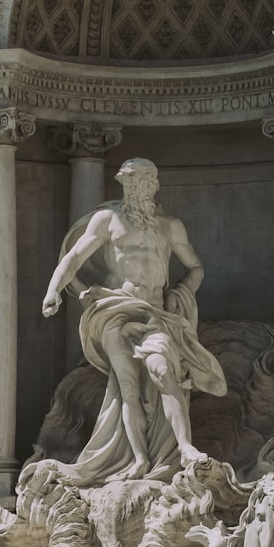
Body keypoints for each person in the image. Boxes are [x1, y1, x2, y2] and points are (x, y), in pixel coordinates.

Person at [40, 157, 227, 485]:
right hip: (116, 309)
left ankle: (185, 448)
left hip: (155, 313)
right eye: (129, 183)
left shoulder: (170, 226)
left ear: (153, 185)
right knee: (127, 385)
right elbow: (73, 258)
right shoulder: (106, 220)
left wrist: (181, 290)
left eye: (141, 182)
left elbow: (195, 268)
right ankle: (139, 458)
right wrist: (54, 290)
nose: (135, 189)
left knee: (163, 370)